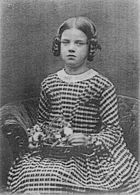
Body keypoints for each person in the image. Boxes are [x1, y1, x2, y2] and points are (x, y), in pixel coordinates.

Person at [7, 16, 139, 194]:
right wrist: (37, 135)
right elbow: (43, 124)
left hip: (91, 157)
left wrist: (89, 139)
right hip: (54, 154)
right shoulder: (49, 83)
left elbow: (113, 131)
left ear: (90, 47)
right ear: (58, 45)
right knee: (32, 176)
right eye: (66, 42)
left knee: (56, 177)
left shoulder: (102, 85)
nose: (71, 48)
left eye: (79, 43)